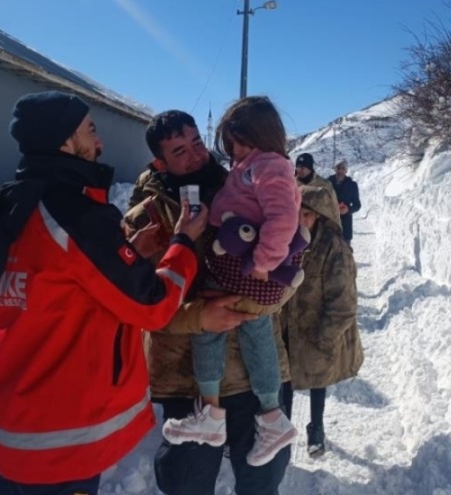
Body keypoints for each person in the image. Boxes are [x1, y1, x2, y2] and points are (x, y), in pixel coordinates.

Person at [0, 91, 207, 495]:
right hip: (62, 438)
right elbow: (153, 305)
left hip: (18, 427)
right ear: (65, 142)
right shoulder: (76, 215)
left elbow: (63, 284)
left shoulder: (15, 205)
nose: (99, 141)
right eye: (90, 129)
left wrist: (129, 253)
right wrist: (184, 243)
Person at [123, 110, 292, 495]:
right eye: (180, 151)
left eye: (197, 142)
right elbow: (134, 307)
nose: (196, 155)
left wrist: (251, 304)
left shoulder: (250, 186)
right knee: (187, 485)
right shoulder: (144, 220)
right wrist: (201, 316)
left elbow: (290, 273)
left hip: (257, 374)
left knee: (262, 483)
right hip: (186, 380)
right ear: (159, 163)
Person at [160, 97, 300, 467]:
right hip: (241, 266)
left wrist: (264, 262)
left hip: (247, 269)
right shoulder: (249, 167)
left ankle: (213, 413)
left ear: (261, 136)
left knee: (212, 326)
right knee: (247, 328)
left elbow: (283, 218)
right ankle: (270, 417)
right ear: (161, 162)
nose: (233, 152)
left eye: (239, 143)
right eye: (179, 151)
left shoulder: (266, 166)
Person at [278, 184, 364, 458]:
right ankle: (283, 431)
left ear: (320, 216)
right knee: (285, 381)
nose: (301, 220)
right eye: (297, 213)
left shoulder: (334, 249)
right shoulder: (285, 242)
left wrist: (325, 337)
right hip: (288, 328)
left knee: (317, 379)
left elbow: (344, 302)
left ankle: (316, 427)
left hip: (319, 329)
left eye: (308, 214)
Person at [294, 152, 341, 230]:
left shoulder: (324, 185)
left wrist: (336, 229)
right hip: (297, 227)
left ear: (310, 168)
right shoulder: (291, 184)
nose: (299, 170)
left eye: (303, 167)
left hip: (319, 229)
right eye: (298, 167)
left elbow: (334, 210)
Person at [327, 160, 361, 246]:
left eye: (343, 168)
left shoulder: (352, 185)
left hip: (345, 225)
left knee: (345, 254)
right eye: (338, 168)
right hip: (330, 223)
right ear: (335, 169)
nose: (340, 171)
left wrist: (348, 209)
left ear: (346, 170)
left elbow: (357, 205)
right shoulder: (327, 183)